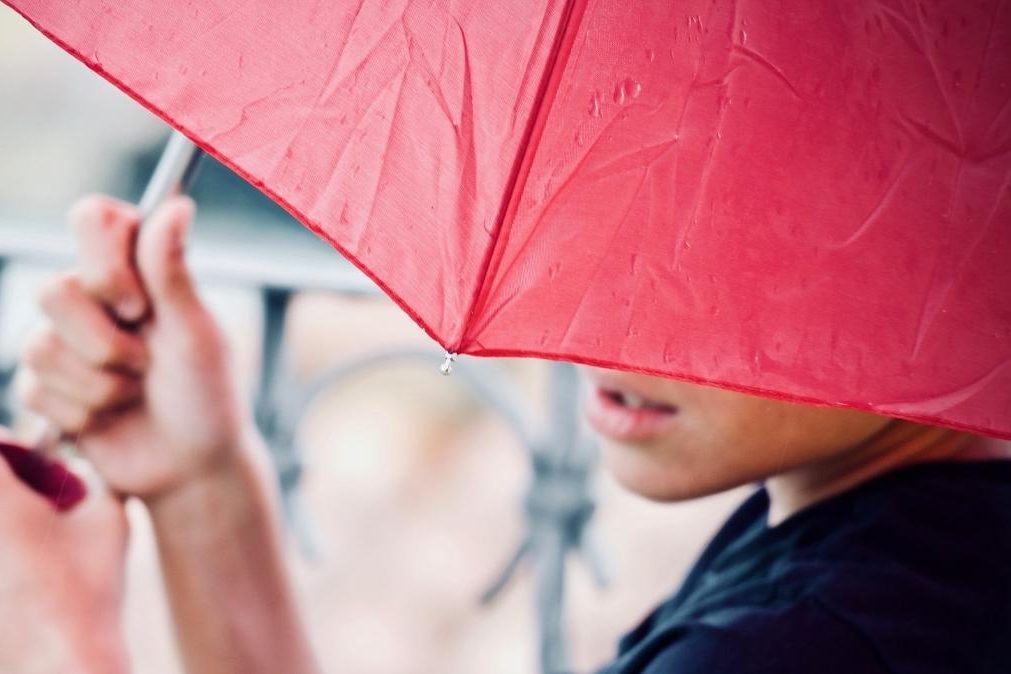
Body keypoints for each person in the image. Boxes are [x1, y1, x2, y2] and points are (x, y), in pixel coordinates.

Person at [3, 193, 1010, 673]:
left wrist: (60, 637)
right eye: (614, 200)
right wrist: (201, 479)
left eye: (733, 237)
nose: (603, 309)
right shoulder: (906, 534)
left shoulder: (807, 651)